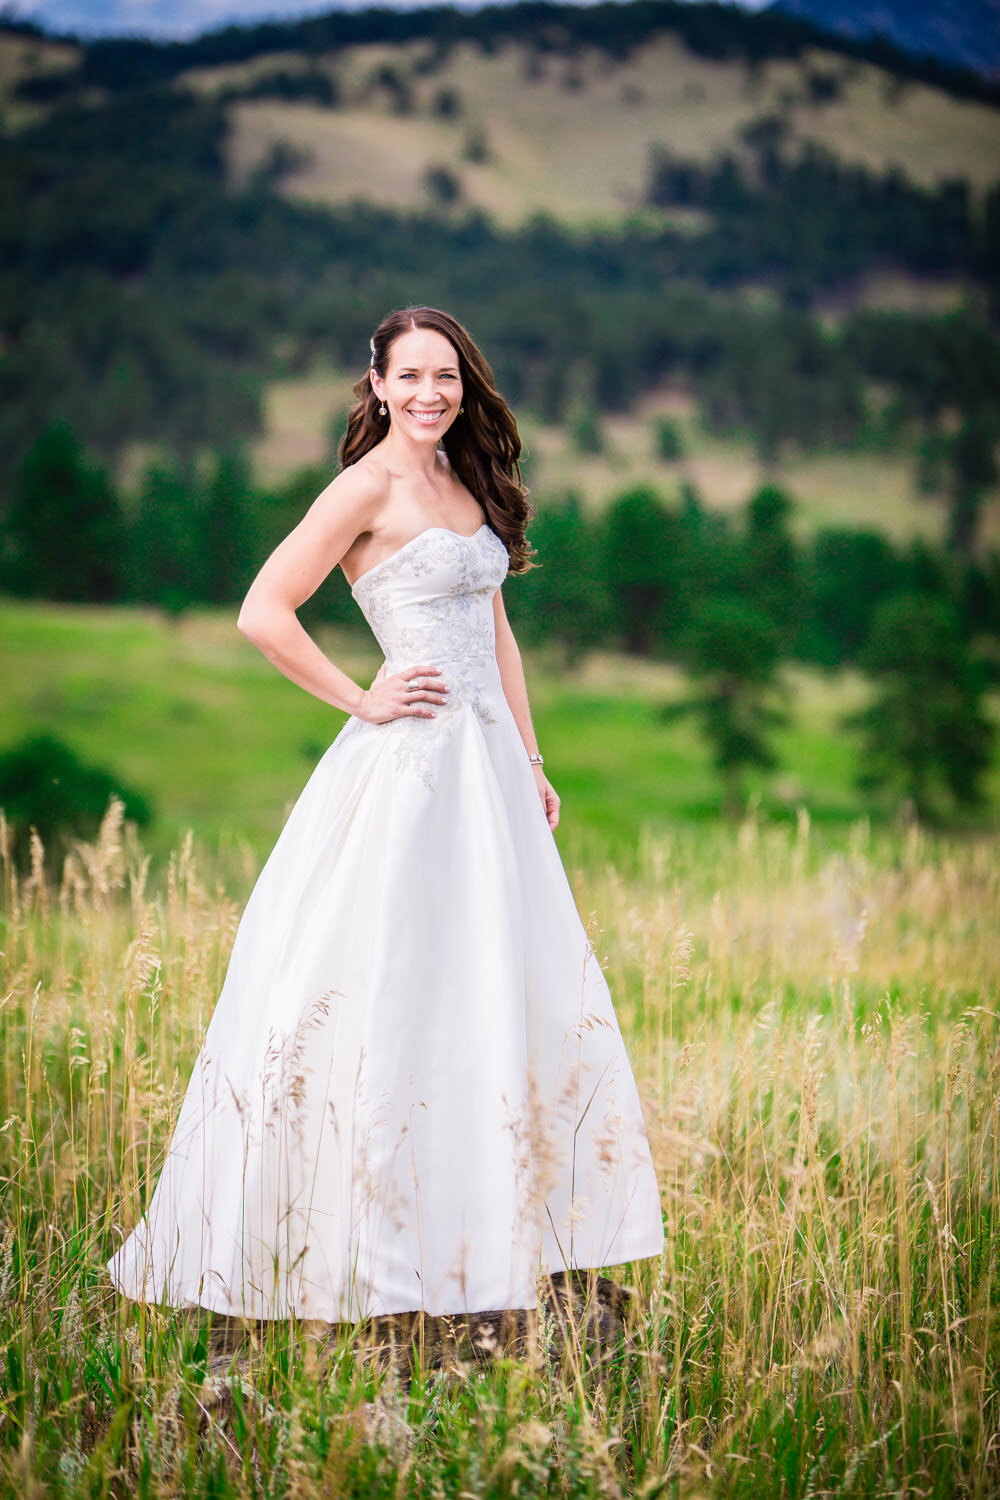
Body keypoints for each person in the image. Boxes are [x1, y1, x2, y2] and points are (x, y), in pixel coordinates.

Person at [108, 306, 664, 1322]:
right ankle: (370, 1247)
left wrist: (531, 757)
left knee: (499, 980)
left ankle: (501, 1233)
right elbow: (262, 610)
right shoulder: (361, 488)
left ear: (465, 385)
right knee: (392, 981)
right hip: (409, 770)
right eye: (409, 376)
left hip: (488, 771)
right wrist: (361, 697)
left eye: (444, 377)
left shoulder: (468, 482)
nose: (428, 394)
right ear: (375, 384)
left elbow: (496, 635)